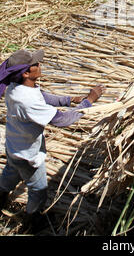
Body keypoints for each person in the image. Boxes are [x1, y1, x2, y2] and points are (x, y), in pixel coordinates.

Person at [0, 49, 105, 231]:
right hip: (29, 156)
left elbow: (44, 97)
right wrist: (88, 101)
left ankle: (0, 198)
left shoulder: (16, 87)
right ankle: (32, 221)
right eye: (36, 64)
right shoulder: (27, 100)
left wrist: (69, 99)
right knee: (38, 190)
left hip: (14, 147)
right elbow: (63, 120)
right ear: (26, 73)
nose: (40, 65)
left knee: (11, 174)